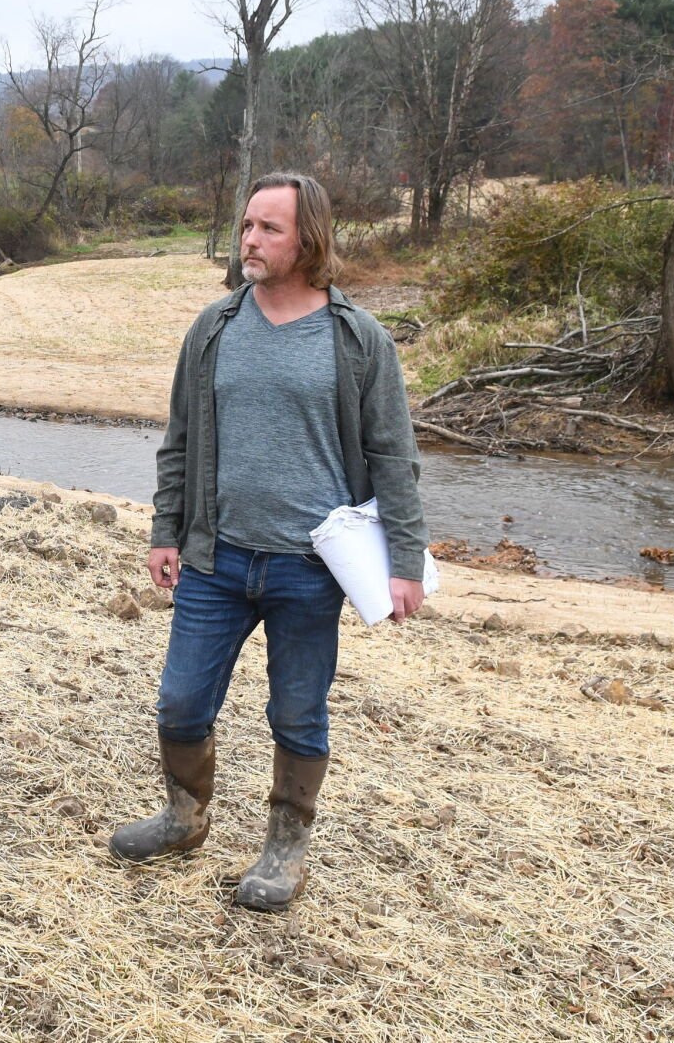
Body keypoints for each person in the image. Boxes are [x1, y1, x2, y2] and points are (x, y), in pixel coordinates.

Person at [109, 172, 427, 912]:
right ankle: (184, 818)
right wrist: (166, 529)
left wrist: (403, 564)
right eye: (246, 225)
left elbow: (393, 458)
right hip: (215, 560)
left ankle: (285, 847)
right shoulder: (214, 327)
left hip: (309, 569)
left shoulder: (357, 340)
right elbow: (178, 440)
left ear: (307, 239)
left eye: (268, 229)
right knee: (180, 702)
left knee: (297, 712)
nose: (249, 240)